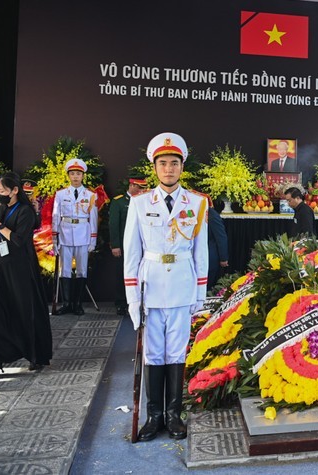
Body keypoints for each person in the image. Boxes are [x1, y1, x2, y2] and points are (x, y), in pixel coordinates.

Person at [123, 132, 209, 441]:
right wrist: (133, 299)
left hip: (182, 287)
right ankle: (153, 415)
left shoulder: (197, 203)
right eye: (163, 163)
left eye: (174, 163)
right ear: (155, 168)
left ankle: (174, 415)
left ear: (182, 167)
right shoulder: (139, 203)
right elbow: (132, 254)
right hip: (151, 288)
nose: (169, 169)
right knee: (153, 354)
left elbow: (201, 252)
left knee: (176, 352)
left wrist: (200, 293)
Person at [0, 172, 52, 379]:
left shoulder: (25, 211)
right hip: (0, 266)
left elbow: (18, 240)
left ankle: (34, 354)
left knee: (25, 310)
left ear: (14, 190)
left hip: (20, 267)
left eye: (2, 191)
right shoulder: (1, 208)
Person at [51, 158, 97, 315]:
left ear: (83, 175)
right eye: (72, 174)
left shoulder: (90, 195)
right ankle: (67, 303)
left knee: (81, 270)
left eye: (78, 174)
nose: (75, 177)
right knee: (64, 271)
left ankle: (78, 304)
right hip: (64, 234)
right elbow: (56, 217)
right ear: (68, 176)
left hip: (83, 235)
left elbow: (93, 219)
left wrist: (93, 239)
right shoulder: (61, 194)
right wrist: (54, 239)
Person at [109, 177, 148, 315]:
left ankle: (140, 301)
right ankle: (121, 303)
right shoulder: (119, 201)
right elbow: (113, 224)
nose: (142, 190)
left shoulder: (145, 201)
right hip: (124, 244)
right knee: (122, 273)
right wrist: (115, 245)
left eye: (144, 188)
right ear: (132, 186)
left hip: (142, 245)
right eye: (140, 187)